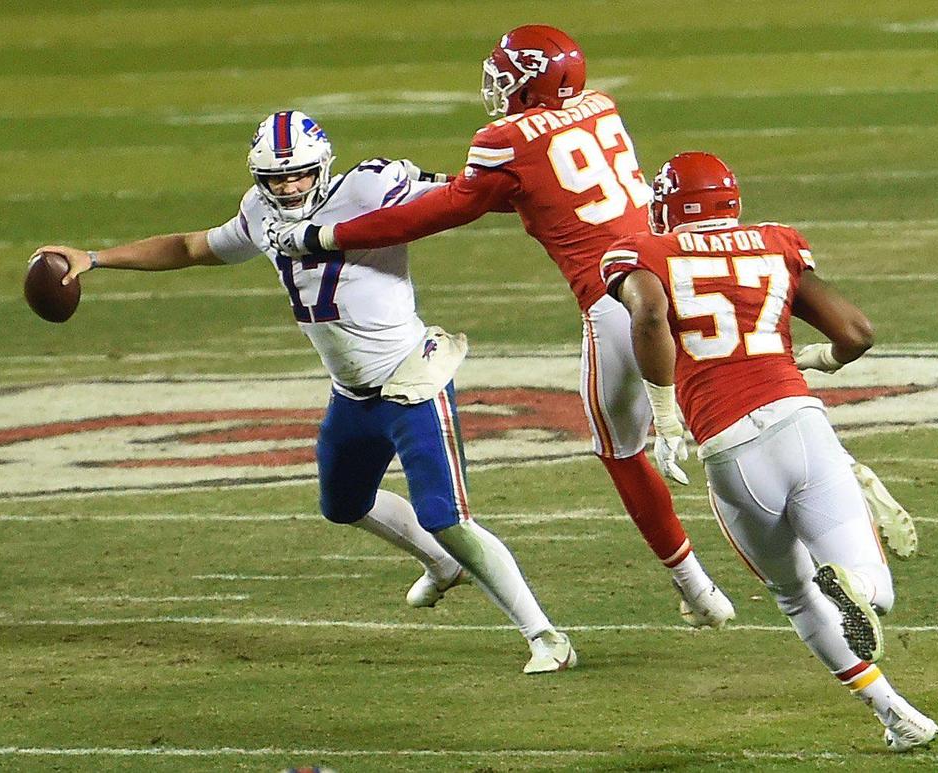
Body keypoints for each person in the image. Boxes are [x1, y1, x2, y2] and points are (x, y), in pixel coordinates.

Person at [31, 110, 577, 675]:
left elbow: (468, 193)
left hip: (413, 379)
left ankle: (545, 636)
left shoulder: (371, 185)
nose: (288, 186)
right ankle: (444, 566)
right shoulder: (258, 210)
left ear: (324, 166)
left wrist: (552, 197)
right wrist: (95, 258)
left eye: (299, 174)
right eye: (276, 177)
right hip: (352, 393)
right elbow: (192, 246)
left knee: (446, 515)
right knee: (344, 504)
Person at [267, 25, 737, 627]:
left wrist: (327, 233)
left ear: (531, 79)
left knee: (622, 453)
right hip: (676, 274)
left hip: (614, 297)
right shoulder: (603, 107)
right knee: (740, 409)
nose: (496, 84)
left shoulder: (505, 138)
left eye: (506, 73)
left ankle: (700, 593)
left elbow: (444, 211)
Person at [601, 151, 938, 751]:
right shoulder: (777, 243)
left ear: (670, 204)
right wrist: (816, 359)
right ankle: (859, 583)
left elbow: (651, 316)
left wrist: (663, 416)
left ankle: (895, 715)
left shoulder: (645, 252)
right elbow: (856, 333)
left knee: (795, 592)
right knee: (872, 591)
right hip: (800, 423)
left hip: (730, 446)